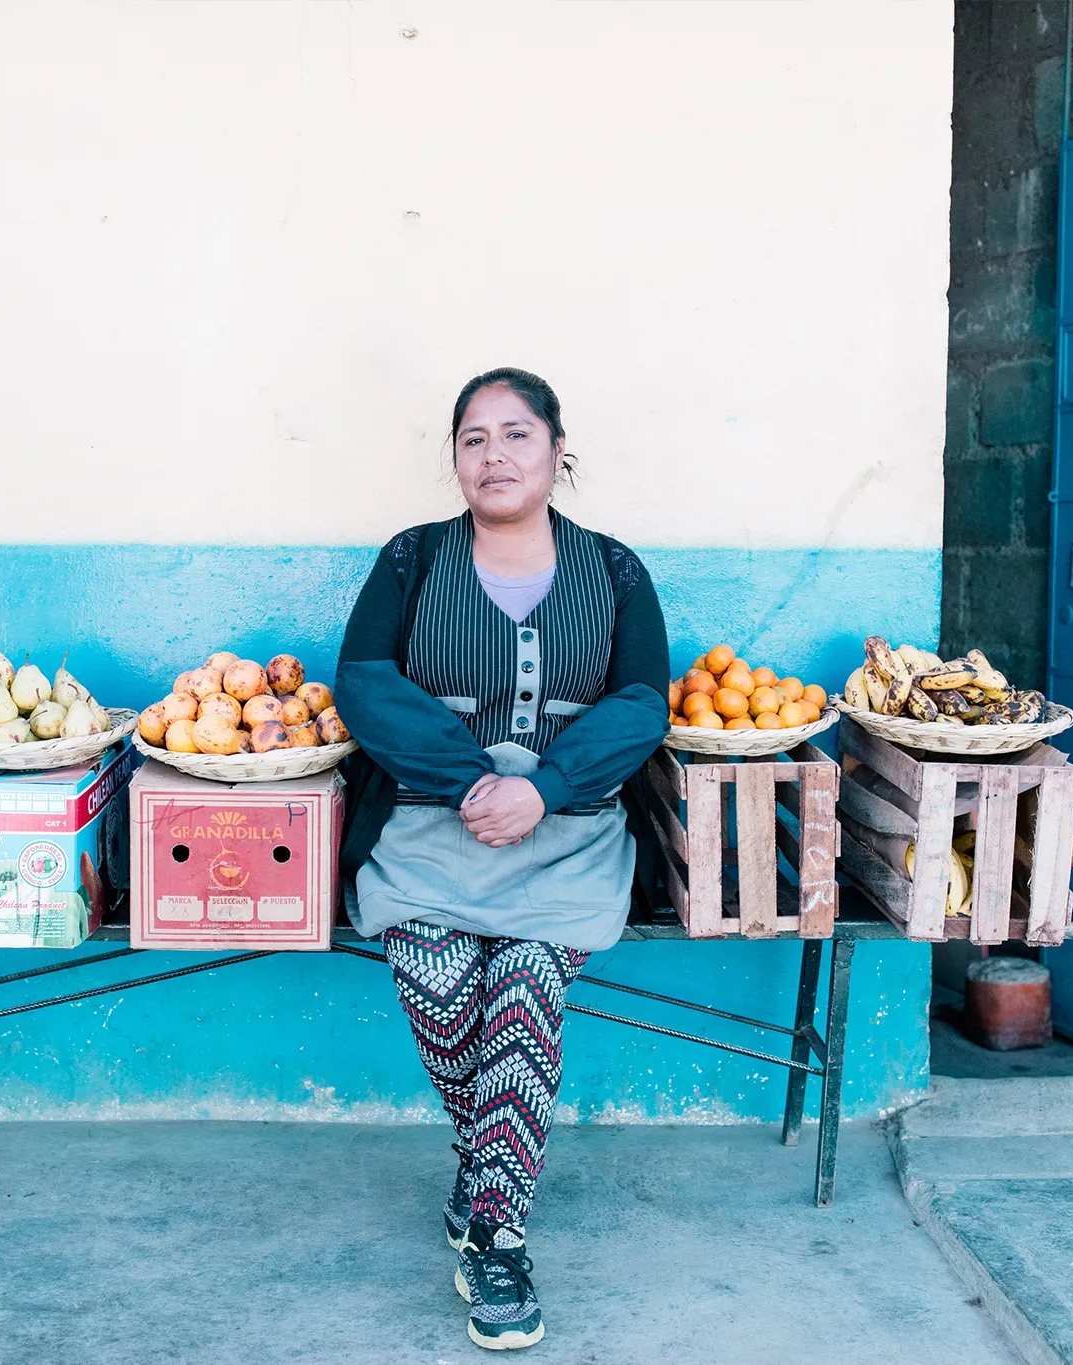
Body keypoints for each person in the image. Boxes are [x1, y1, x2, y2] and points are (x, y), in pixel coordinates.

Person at [334, 368, 670, 1351]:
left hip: (566, 835)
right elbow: (363, 683)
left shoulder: (612, 570)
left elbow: (641, 701)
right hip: (430, 827)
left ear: (559, 451)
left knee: (522, 984)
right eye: (473, 439)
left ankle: (495, 1230)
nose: (495, 456)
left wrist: (543, 787)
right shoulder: (410, 560)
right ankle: (490, 1157)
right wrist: (472, 782)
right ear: (454, 460)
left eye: (516, 435)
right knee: (439, 985)